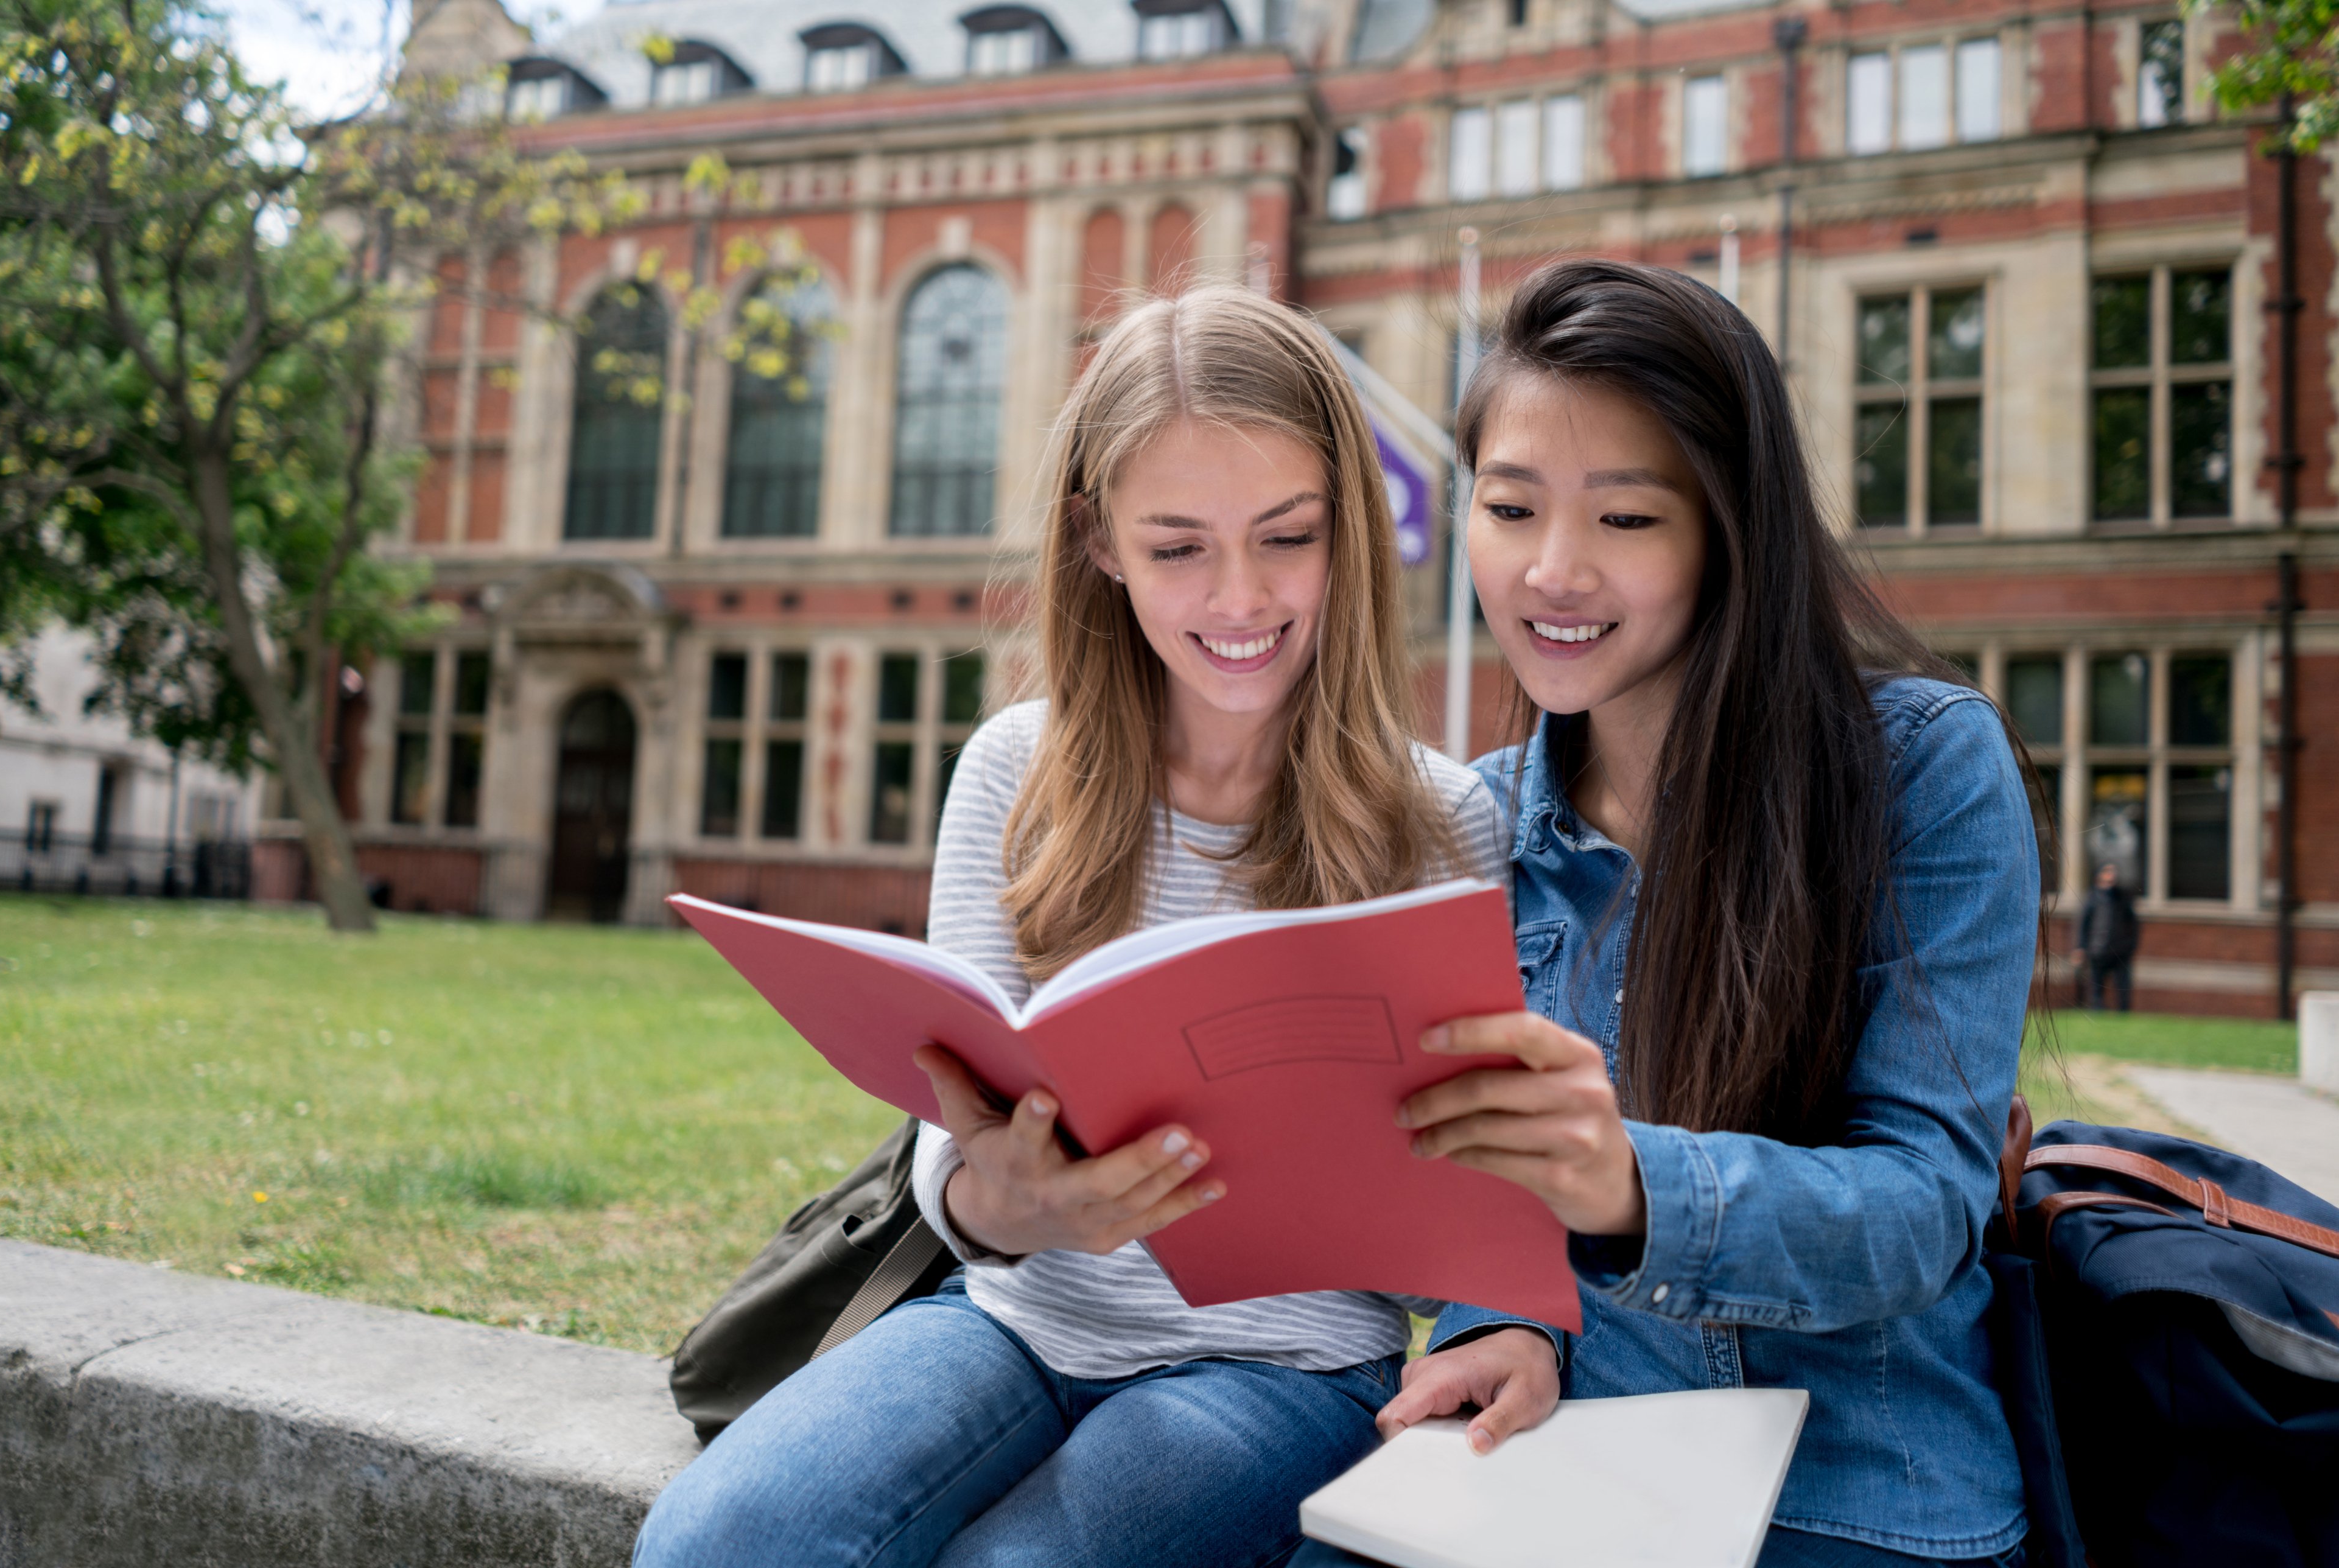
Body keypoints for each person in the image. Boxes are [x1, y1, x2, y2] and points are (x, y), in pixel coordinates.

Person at [632, 285, 1506, 1568]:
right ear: (1098, 543)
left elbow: (1458, 1227)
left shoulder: (1440, 821)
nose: (1241, 596)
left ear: (1351, 532)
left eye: (1288, 536)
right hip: (1015, 1319)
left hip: (1284, 1368)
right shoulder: (1013, 772)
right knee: (716, 1542)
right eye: (1177, 548)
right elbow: (953, 1153)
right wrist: (1015, 1202)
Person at [1294, 260, 2037, 1568]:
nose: (1553, 571)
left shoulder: (1926, 765)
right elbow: (1483, 1213)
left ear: (1726, 529)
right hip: (1558, 1461)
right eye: (1510, 508)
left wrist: (1630, 1182)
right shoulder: (1478, 817)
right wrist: (1491, 1321)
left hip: (1859, 1480)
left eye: (1627, 520)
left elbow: (1926, 1202)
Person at [2074, 863, 2138, 1012]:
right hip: (2098, 950)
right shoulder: (2092, 898)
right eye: (2107, 872)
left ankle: (2124, 1014)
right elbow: (2083, 925)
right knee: (2096, 987)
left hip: (2120, 951)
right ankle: (2098, 1013)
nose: (2111, 876)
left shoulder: (2122, 898)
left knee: (2123, 987)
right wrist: (2080, 948)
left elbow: (2133, 925)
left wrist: (2130, 946)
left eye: (2113, 873)